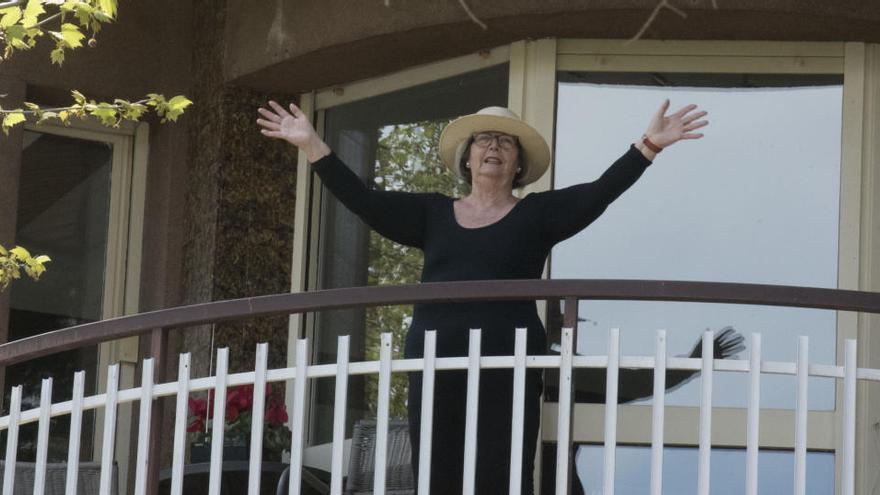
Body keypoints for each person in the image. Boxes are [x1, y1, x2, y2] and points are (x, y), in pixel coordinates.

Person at [257, 100, 726, 494]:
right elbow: (364, 200)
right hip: (435, 361)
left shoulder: (537, 215)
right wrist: (312, 146)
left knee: (501, 472)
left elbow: (597, 194)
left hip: (509, 363)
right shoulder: (431, 214)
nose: (494, 147)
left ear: (519, 164)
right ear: (467, 159)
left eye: (505, 142)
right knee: (436, 472)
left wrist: (646, 148)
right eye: (484, 140)